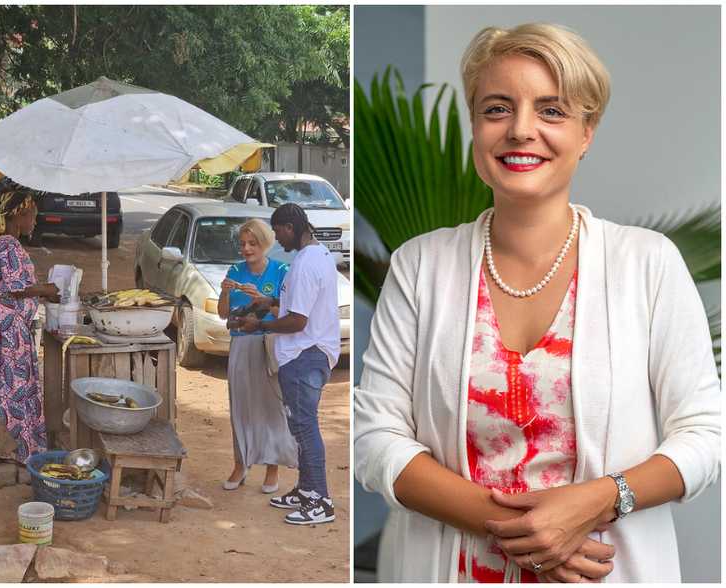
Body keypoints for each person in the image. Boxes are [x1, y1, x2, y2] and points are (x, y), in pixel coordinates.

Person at [354, 23, 720, 582]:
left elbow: (705, 436)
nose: (521, 130)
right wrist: (527, 531)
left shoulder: (647, 264)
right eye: (497, 108)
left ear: (587, 131)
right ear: (475, 124)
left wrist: (600, 501)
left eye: (552, 111)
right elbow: (375, 436)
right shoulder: (419, 265)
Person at [239, 203, 341, 525]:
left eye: (278, 231)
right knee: (300, 427)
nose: (277, 239)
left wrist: (261, 325)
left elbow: (298, 321)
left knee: (305, 427)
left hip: (304, 355)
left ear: (291, 226)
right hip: (309, 353)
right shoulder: (317, 255)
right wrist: (270, 303)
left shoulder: (307, 264)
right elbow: (298, 306)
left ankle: (321, 501)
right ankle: (306, 490)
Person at [218, 219, 297, 494]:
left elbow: (286, 314)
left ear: (265, 244)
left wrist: (262, 300)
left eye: (252, 243)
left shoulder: (281, 271)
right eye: (242, 244)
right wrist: (227, 292)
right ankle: (241, 464)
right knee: (240, 407)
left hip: (269, 345)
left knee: (271, 408)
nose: (246, 249)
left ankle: (272, 468)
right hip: (240, 345)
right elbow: (223, 313)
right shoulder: (235, 271)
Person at [0, 186, 60, 464]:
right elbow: (17, 288)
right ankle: (18, 449)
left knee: (6, 386)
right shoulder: (7, 245)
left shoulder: (2, 242)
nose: (35, 222)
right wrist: (47, 290)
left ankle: (10, 446)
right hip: (8, 328)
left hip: (4, 324)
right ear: (18, 215)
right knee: (14, 388)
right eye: (32, 216)